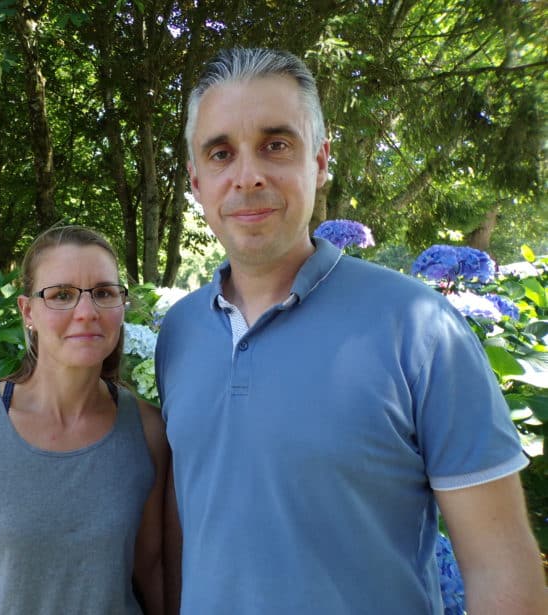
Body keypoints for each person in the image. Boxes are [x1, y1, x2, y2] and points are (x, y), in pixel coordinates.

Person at [155, 48, 546, 614]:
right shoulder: (181, 333)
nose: (248, 176)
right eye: (221, 154)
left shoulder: (421, 329)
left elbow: (499, 566)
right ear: (196, 181)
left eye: (276, 145)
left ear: (319, 160)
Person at [0, 225, 168, 614]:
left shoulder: (148, 431)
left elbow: (153, 572)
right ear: (28, 312)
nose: (86, 312)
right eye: (61, 295)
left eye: (104, 293)